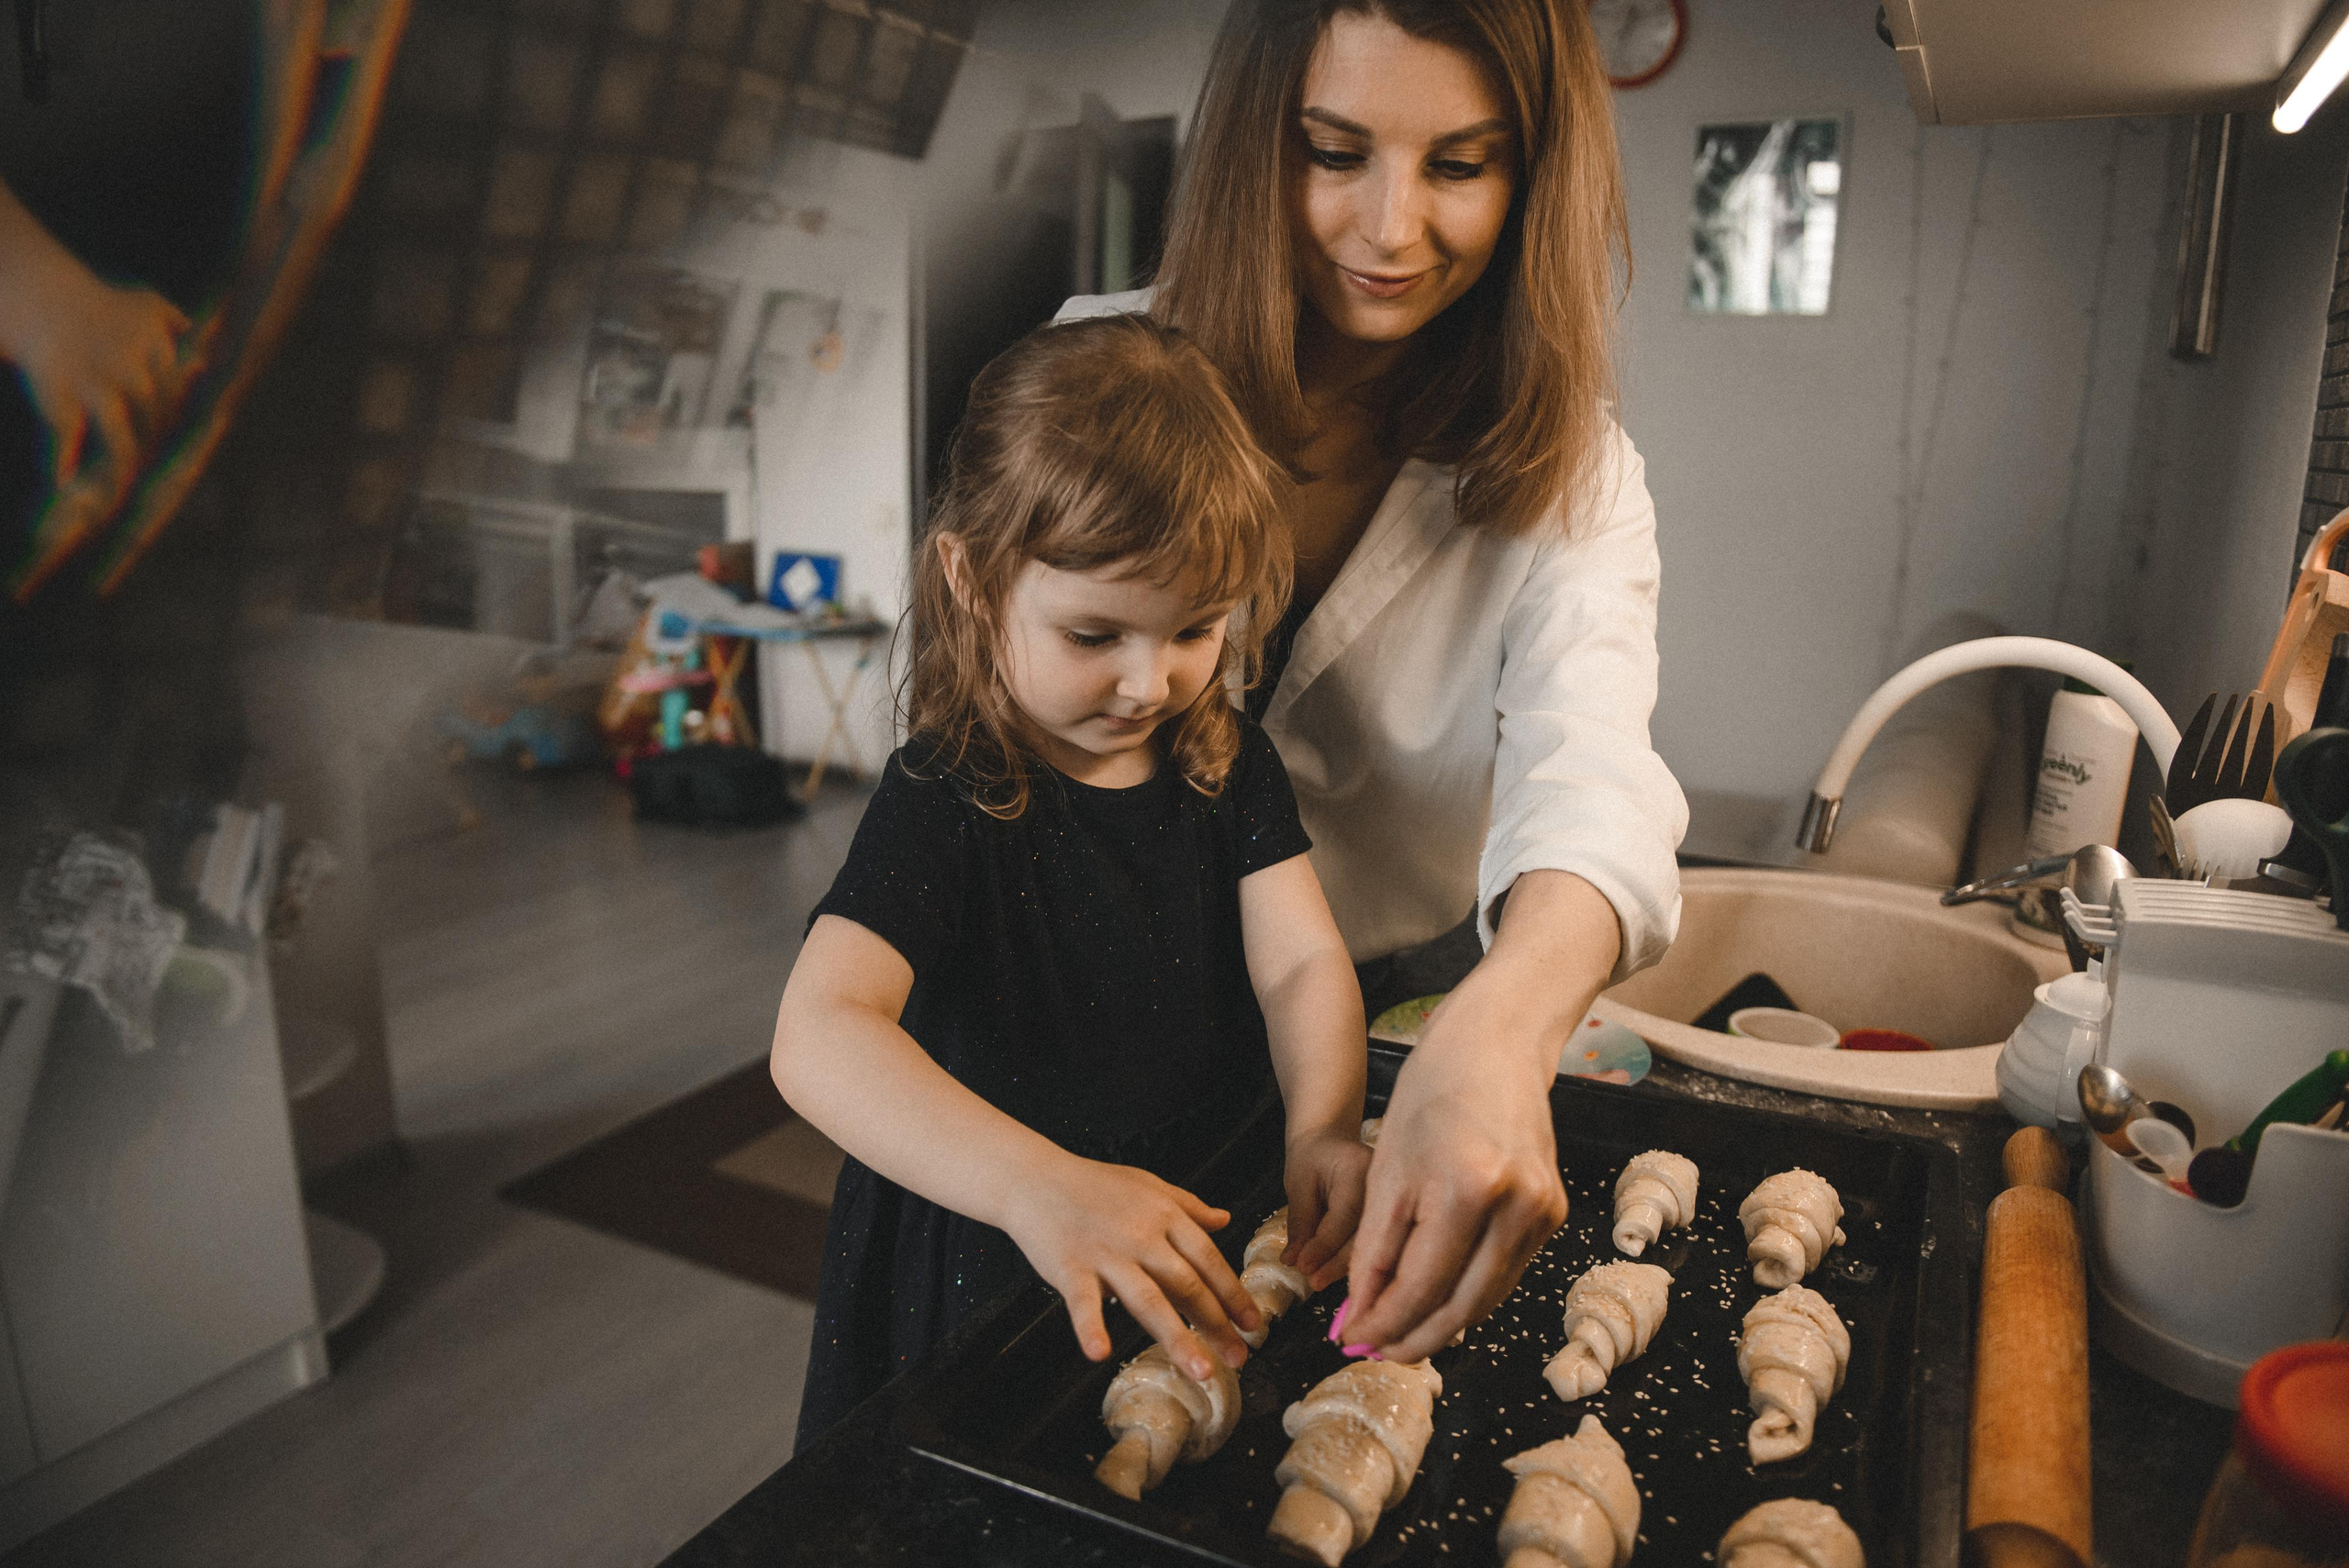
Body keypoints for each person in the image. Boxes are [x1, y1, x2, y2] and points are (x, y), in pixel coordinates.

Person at [1057, 0, 1689, 1365]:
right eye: (1335, 153)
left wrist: (1502, 1027)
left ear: (1533, 176)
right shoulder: (1090, 370)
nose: (1392, 228)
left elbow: (1594, 773)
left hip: (1381, 1022)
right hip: (1075, 1012)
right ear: (1252, 146)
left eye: (1459, 165)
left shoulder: (1576, 472)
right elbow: (962, 749)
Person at [773, 314, 1370, 1445]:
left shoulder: (1226, 758)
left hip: (1197, 1207)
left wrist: (1323, 1126)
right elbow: (818, 1033)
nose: (1149, 683)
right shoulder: (948, 792)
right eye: (1095, 635)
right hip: (996, 1247)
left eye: (1194, 628)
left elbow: (1298, 962)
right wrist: (1038, 1186)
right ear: (970, 577)